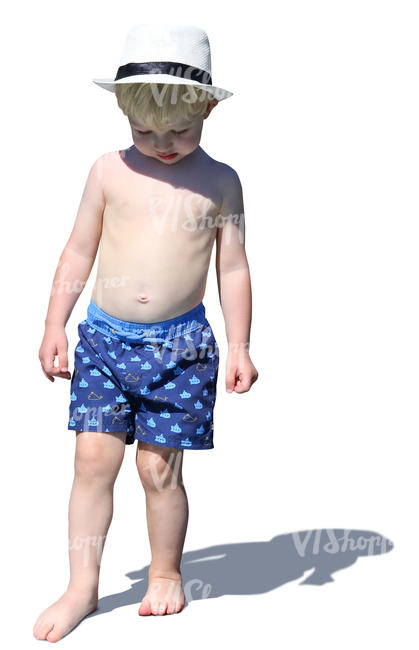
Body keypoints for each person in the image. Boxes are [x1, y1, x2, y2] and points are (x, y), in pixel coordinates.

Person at [33, 24, 258, 642]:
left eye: (180, 131)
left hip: (179, 350)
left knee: (159, 470)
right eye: (144, 131)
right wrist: (55, 322)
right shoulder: (107, 171)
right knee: (91, 460)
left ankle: (164, 572)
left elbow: (231, 265)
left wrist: (239, 345)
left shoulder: (220, 182)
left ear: (208, 108)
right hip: (104, 341)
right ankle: (82, 585)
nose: (161, 145)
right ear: (121, 113)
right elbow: (78, 250)